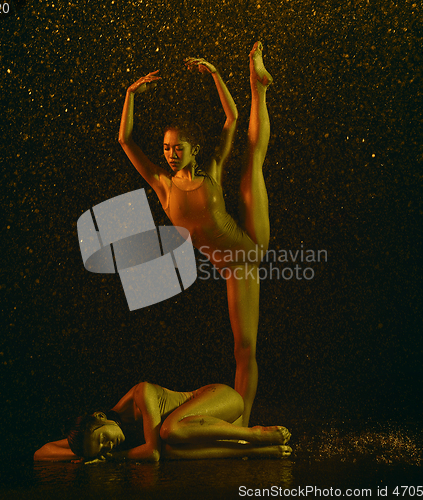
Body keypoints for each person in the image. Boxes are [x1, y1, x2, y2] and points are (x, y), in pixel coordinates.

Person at [118, 42, 273, 426]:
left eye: (178, 148)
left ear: (194, 149)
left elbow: (231, 119)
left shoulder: (212, 171)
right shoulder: (163, 185)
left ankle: (259, 85)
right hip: (227, 267)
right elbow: (125, 140)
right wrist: (129, 96)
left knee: (252, 159)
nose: (170, 154)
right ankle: (241, 419)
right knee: (241, 348)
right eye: (167, 148)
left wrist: (218, 76)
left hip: (246, 256)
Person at [34, 381, 291, 462]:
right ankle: (257, 449)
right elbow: (41, 453)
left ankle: (255, 434)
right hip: (213, 426)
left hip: (224, 400)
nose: (107, 448)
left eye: (103, 440)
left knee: (169, 432)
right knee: (172, 449)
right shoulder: (97, 438)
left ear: (100, 417)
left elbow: (152, 453)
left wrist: (113, 459)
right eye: (101, 449)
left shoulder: (141, 393)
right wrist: (85, 458)